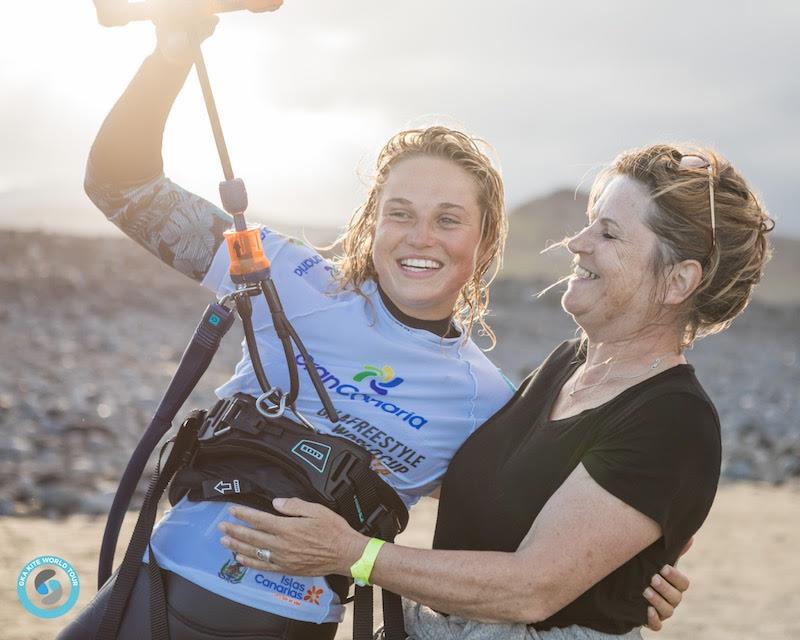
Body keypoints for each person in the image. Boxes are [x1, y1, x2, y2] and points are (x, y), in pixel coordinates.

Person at [58, 10, 688, 640]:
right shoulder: (290, 278)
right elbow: (120, 184)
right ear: (372, 222)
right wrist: (168, 59)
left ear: (485, 238)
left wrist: (629, 578)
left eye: (448, 219)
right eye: (401, 213)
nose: (420, 238)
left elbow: (529, 543)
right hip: (152, 593)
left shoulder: (485, 399)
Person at [219, 143, 774, 638]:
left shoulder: (673, 421)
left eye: (607, 233)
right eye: (587, 223)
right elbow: (504, 489)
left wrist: (353, 555)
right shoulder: (568, 366)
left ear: (678, 281)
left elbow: (531, 588)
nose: (576, 243)